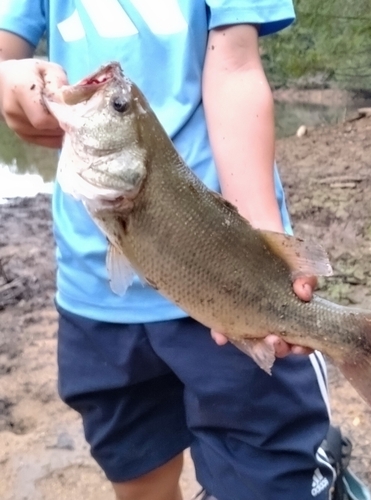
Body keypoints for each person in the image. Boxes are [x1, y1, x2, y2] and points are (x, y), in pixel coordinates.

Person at [0, 2, 337, 499]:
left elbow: (236, 69)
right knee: (138, 477)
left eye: (116, 105)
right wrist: (10, 79)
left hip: (226, 279)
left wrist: (265, 246)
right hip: (92, 297)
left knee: (267, 480)